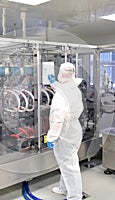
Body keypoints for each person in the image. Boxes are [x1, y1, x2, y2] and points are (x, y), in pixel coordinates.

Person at [46, 62, 84, 200]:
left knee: (69, 165)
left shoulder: (60, 96)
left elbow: (58, 119)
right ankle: (64, 188)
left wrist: (51, 137)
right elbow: (64, 90)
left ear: (61, 74)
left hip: (64, 132)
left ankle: (75, 196)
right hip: (74, 129)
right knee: (67, 162)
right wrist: (54, 84)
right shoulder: (73, 88)